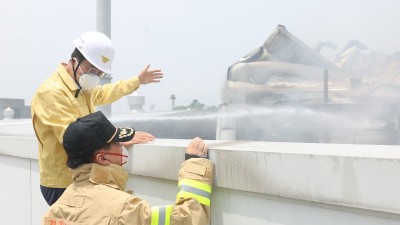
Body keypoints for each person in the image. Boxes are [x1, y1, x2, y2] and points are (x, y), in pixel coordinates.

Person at [31, 31, 163, 206]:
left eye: (99, 73)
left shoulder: (81, 85)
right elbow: (74, 137)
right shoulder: (52, 91)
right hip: (62, 183)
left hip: (81, 177)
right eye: (91, 69)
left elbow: (104, 92)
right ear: (74, 60)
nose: (94, 76)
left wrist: (137, 81)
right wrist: (117, 136)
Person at [42, 111, 214, 225]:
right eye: (117, 143)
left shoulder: (55, 210)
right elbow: (190, 219)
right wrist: (194, 165)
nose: (122, 146)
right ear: (102, 158)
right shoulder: (123, 209)